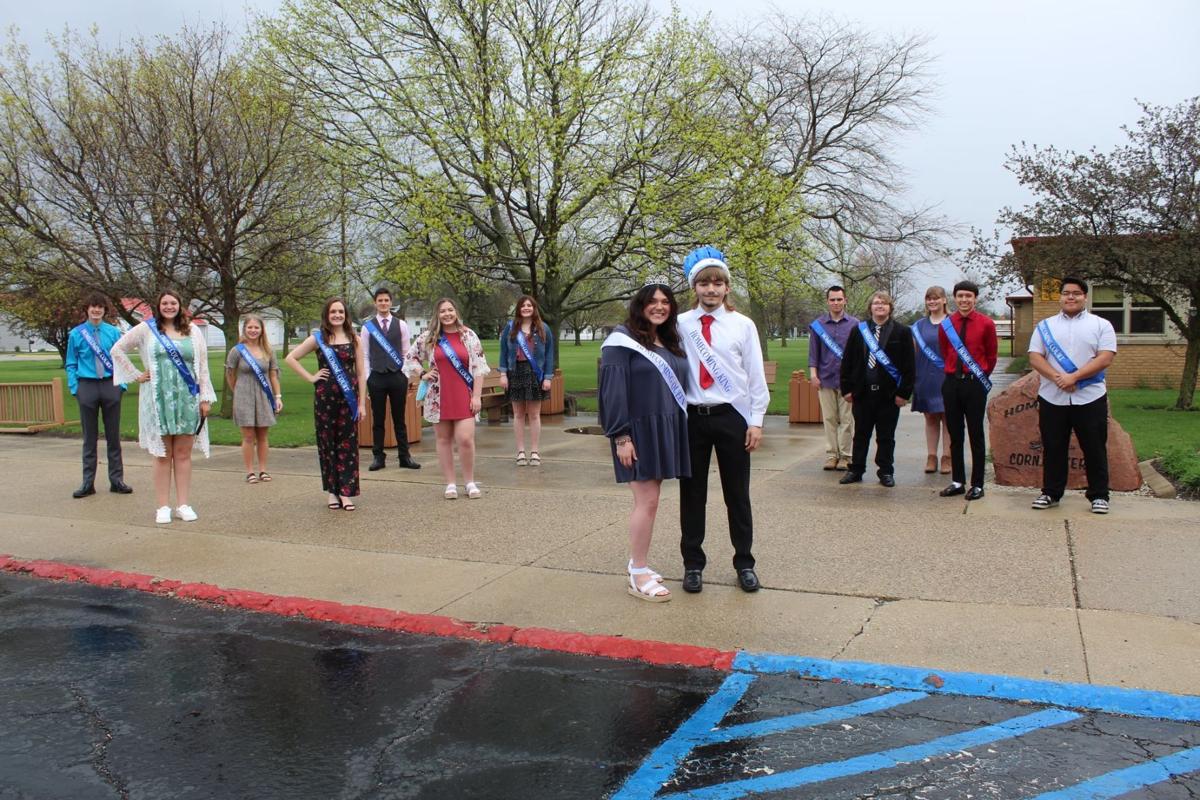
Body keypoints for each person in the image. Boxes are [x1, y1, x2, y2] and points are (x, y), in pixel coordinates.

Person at [676, 247, 769, 594]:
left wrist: (756, 421)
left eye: (718, 283)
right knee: (692, 494)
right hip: (693, 418)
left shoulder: (743, 325)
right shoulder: (681, 324)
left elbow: (755, 376)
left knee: (737, 495)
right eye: (704, 283)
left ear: (727, 287)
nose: (711, 289)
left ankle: (744, 562)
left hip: (732, 417)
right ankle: (693, 564)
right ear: (694, 287)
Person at [599, 281, 691, 603]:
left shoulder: (667, 340)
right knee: (647, 501)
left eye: (665, 302)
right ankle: (638, 573)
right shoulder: (621, 342)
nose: (659, 307)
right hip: (636, 432)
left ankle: (638, 563)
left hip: (664, 427)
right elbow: (612, 391)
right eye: (652, 301)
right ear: (640, 305)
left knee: (652, 499)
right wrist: (621, 436)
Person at [111, 290, 216, 524]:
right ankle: (162, 506)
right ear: (158, 306)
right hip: (158, 401)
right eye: (165, 303)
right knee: (162, 455)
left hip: (187, 398)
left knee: (183, 454)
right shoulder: (146, 329)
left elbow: (203, 366)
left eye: (173, 303)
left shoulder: (193, 330)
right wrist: (137, 375)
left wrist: (205, 397)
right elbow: (117, 349)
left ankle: (183, 504)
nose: (169, 306)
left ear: (180, 305)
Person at [1027, 276, 1117, 514]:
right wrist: (1059, 378)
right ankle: (1051, 493)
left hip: (1090, 396)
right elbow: (1035, 356)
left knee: (1094, 446)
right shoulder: (1045, 326)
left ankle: (1099, 495)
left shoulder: (1101, 325)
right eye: (1066, 293)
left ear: (1085, 297)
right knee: (1053, 446)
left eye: (1076, 293)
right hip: (1052, 396)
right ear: (1060, 296)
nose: (1070, 297)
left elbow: (1105, 357)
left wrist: (1074, 377)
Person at [285, 298, 368, 511]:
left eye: (341, 311)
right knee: (327, 444)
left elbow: (360, 372)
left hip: (348, 400)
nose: (337, 315)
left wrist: (362, 404)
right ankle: (332, 491)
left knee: (348, 445)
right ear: (327, 314)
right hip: (325, 399)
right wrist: (311, 377)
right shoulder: (318, 338)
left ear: (346, 315)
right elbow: (291, 358)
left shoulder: (354, 339)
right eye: (333, 312)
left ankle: (346, 492)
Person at [403, 298, 489, 500]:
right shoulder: (430, 337)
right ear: (437, 314)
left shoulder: (468, 335)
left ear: (456, 312)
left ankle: (469, 481)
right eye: (443, 311)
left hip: (464, 394)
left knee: (465, 439)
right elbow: (410, 357)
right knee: (443, 440)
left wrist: (477, 395)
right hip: (438, 396)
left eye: (450, 310)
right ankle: (450, 483)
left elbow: (479, 367)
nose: (447, 314)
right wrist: (423, 372)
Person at [839, 291, 916, 487]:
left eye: (884, 303)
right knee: (861, 435)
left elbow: (909, 366)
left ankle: (886, 471)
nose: (879, 306)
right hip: (863, 393)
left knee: (886, 437)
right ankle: (856, 469)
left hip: (889, 395)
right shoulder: (859, 331)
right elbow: (847, 361)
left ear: (890, 307)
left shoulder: (902, 332)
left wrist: (903, 393)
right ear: (870, 307)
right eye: (876, 303)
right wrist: (847, 389)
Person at [65, 292, 132, 498]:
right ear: (87, 309)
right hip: (86, 385)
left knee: (113, 436)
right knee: (89, 438)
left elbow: (121, 360)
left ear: (105, 310)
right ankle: (88, 483)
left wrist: (122, 386)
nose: (96, 310)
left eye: (100, 307)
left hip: (110, 385)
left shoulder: (113, 333)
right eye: (93, 307)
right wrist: (74, 388)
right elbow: (71, 363)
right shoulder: (76, 334)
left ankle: (116, 480)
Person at [938, 280, 998, 501]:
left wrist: (980, 377)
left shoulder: (986, 324)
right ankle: (957, 481)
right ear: (954, 298)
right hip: (952, 383)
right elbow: (945, 352)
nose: (964, 300)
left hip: (975, 383)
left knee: (975, 433)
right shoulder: (947, 324)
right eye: (960, 296)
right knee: (955, 434)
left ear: (975, 298)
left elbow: (991, 356)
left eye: (968, 296)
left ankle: (978, 484)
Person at [360, 287, 420, 472]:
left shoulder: (401, 325)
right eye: (380, 300)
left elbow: (405, 353)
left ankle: (404, 456)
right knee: (378, 420)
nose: (383, 303)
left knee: (399, 419)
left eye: (386, 300)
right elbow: (364, 355)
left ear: (391, 302)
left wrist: (405, 375)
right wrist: (369, 377)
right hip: (376, 377)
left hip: (397, 376)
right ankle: (378, 457)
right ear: (375, 303)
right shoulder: (367, 327)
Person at [225, 314, 283, 484]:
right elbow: (230, 374)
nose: (253, 330)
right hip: (244, 395)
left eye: (256, 327)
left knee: (263, 435)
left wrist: (277, 396)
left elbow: (273, 375)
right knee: (248, 436)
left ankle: (263, 470)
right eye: (249, 327)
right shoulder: (237, 351)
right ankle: (250, 472)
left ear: (261, 330)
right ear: (244, 329)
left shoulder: (268, 351)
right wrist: (237, 390)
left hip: (264, 395)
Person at [499, 295, 555, 466]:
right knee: (517, 414)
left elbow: (549, 355)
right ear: (518, 309)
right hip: (515, 372)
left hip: (535, 374)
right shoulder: (510, 329)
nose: (526, 308)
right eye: (523, 306)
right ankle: (521, 451)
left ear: (534, 308)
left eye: (529, 305)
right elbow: (503, 352)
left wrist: (547, 377)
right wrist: (502, 374)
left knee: (534, 415)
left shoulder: (543, 328)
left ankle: (535, 451)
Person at [809, 286, 858, 470]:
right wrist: (813, 375)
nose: (836, 303)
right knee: (829, 418)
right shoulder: (818, 325)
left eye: (839, 299)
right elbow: (813, 353)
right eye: (832, 300)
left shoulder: (855, 324)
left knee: (847, 420)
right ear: (827, 301)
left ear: (845, 300)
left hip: (848, 381)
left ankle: (846, 455)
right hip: (825, 378)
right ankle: (831, 454)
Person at [911, 286, 952, 474]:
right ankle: (931, 456)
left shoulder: (953, 322)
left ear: (944, 300)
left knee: (948, 418)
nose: (932, 302)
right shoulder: (919, 326)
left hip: (948, 376)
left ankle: (947, 457)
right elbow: (913, 353)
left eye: (936, 298)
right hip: (925, 376)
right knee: (930, 417)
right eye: (929, 299)